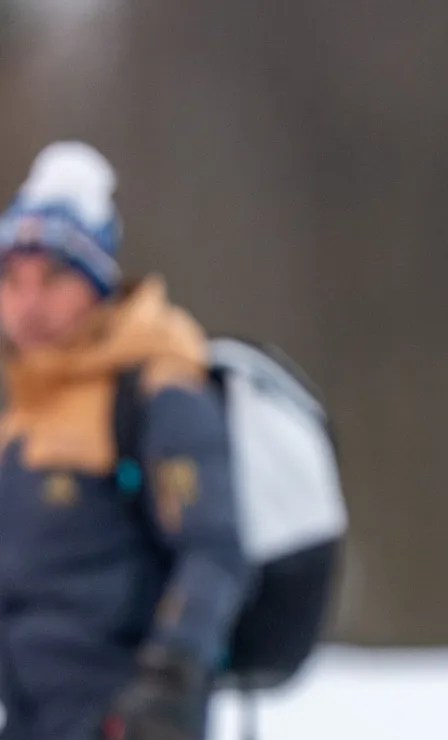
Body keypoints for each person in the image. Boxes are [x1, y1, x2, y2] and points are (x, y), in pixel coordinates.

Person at [0, 142, 250, 740]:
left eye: (54, 278)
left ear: (97, 283)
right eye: (12, 280)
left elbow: (214, 551)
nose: (29, 303)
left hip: (124, 719)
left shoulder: (158, 392)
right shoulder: (24, 412)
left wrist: (171, 675)